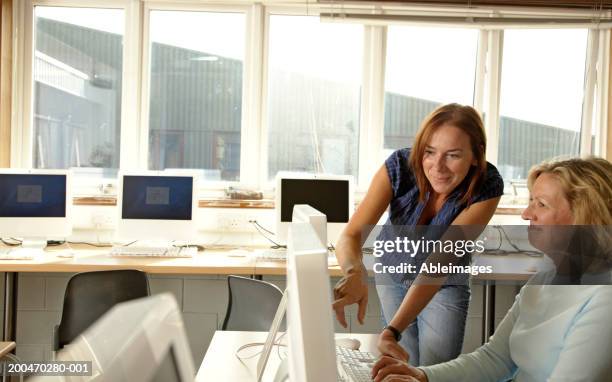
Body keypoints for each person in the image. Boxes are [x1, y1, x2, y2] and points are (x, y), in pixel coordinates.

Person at [370, 157, 612, 382]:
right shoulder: (548, 275)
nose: (527, 214)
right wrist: (422, 376)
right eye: (530, 201)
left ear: (586, 214)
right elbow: (495, 359)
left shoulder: (605, 297)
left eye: (542, 204)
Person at [332, 103, 504, 366]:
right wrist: (354, 271)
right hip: (392, 273)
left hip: (442, 284)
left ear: (475, 155)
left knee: (436, 369)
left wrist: (392, 330)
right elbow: (351, 235)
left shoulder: (487, 184)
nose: (438, 167)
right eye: (430, 152)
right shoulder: (400, 166)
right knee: (403, 365)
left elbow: (439, 264)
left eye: (453, 155)